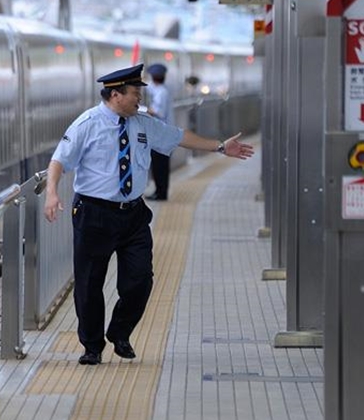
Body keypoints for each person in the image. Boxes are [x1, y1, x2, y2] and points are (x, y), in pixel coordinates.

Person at [43, 64, 253, 366]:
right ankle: (91, 346)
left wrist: (220, 147)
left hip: (133, 215)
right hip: (94, 214)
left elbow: (180, 136)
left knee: (140, 280)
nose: (139, 100)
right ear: (115, 95)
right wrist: (52, 192)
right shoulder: (86, 124)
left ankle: (119, 331)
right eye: (134, 94)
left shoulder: (143, 124)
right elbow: (59, 161)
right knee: (89, 284)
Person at [144, 63, 173, 200]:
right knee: (160, 166)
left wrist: (141, 109)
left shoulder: (162, 93)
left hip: (162, 136)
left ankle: (161, 194)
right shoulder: (161, 90)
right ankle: (160, 191)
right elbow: (148, 88)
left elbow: (158, 112)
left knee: (160, 166)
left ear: (154, 77)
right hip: (163, 134)